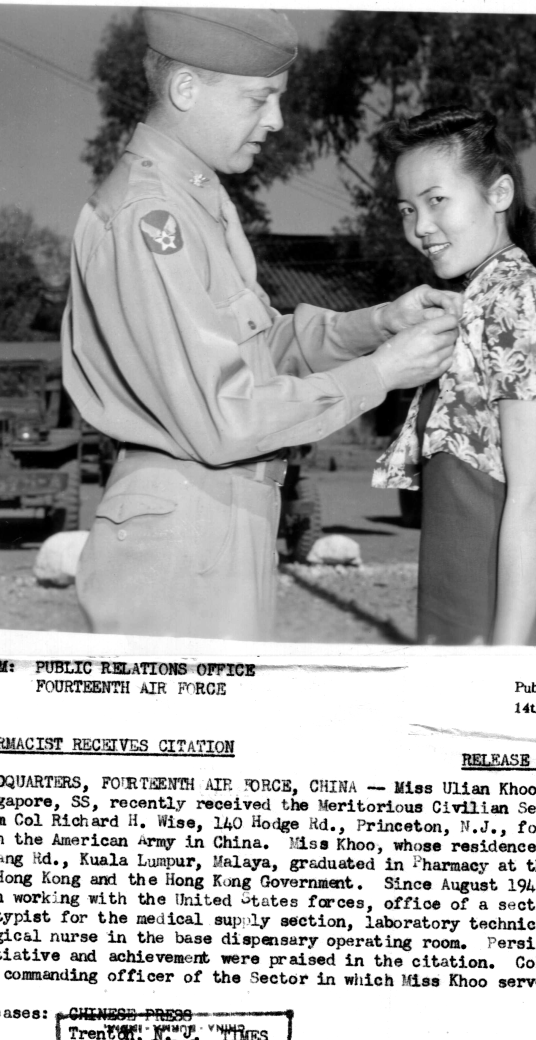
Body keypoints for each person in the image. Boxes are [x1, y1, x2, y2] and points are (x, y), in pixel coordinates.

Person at [62, 9, 460, 640]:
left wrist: (379, 324)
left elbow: (255, 349)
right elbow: (224, 418)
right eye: (258, 99)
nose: (274, 120)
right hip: (184, 529)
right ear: (186, 90)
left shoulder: (197, 201)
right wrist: (382, 374)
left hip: (215, 516)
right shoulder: (150, 217)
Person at [373, 107, 536, 646]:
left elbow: (535, 501)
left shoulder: (525, 302)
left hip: (513, 617)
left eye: (436, 200)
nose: (420, 227)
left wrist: (505, 659)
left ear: (499, 194)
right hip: (459, 600)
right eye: (407, 208)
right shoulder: (472, 302)